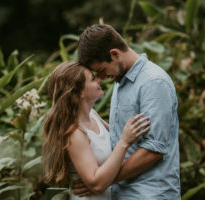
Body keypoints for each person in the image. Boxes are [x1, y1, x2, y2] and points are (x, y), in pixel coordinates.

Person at [73, 24, 180, 199]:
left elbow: (154, 149)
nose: (101, 78)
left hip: (149, 194)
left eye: (101, 70)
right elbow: (120, 132)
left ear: (114, 54)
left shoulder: (153, 82)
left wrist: (104, 180)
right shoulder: (121, 80)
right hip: (124, 193)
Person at [42, 61, 150, 200]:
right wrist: (124, 142)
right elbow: (97, 185)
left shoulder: (92, 114)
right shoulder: (75, 134)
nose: (99, 79)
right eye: (93, 79)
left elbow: (113, 138)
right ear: (80, 92)